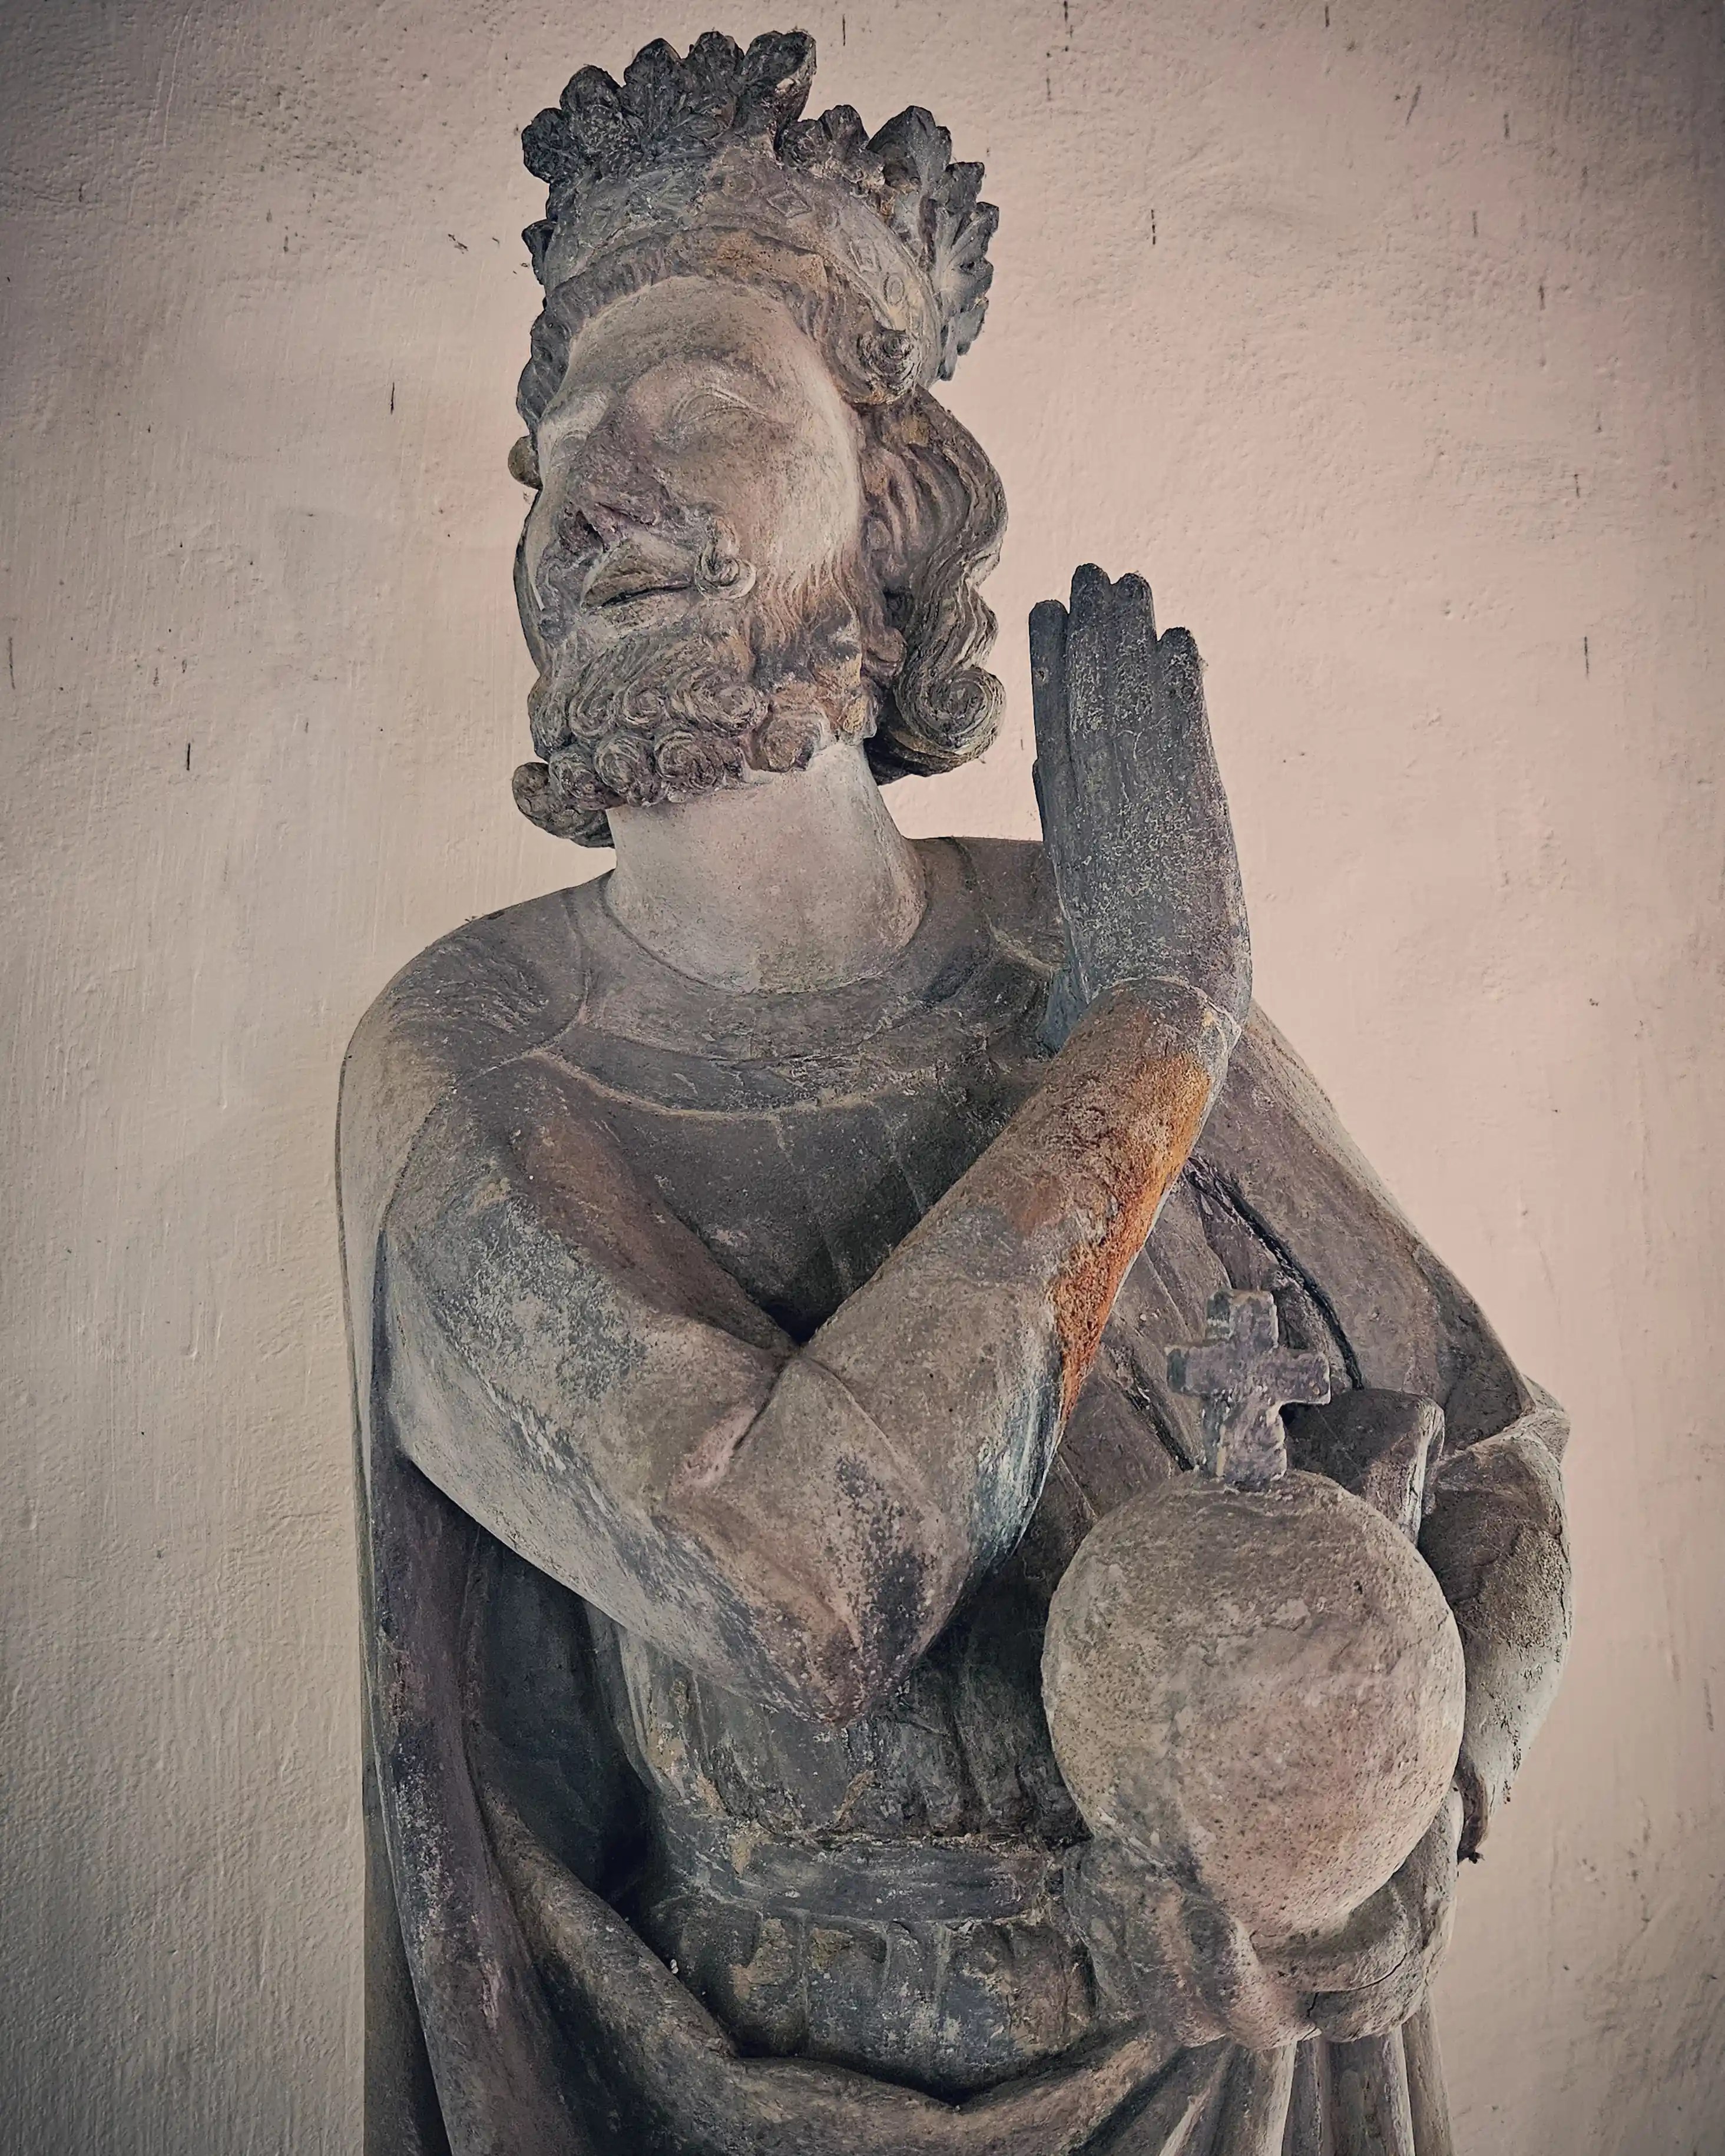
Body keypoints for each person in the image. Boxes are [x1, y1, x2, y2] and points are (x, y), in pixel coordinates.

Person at [339, 32, 1571, 2154]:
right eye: (552, 454)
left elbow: (1488, 1445)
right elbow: (787, 1587)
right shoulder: (474, 1057)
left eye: (696, 408)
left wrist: (1399, 1801)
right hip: (720, 2086)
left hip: (1214, 2081)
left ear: (895, 515)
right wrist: (1151, 1032)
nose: (590, 489)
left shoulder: (1065, 948)